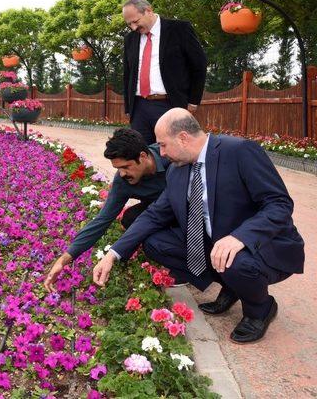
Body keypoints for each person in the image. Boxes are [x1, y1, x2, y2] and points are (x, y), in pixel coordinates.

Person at [93, 108, 305, 343]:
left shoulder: (239, 151)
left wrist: (240, 237)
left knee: (235, 260)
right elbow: (153, 215)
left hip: (262, 245)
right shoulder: (177, 170)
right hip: (216, 243)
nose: (160, 153)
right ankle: (232, 286)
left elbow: (279, 204)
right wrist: (113, 255)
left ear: (183, 137)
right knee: (155, 243)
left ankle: (260, 308)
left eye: (163, 145)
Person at [44, 128, 171, 292]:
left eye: (126, 167)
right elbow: (102, 220)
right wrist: (64, 259)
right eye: (118, 168)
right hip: (157, 212)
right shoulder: (123, 180)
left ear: (143, 156)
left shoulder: (170, 158)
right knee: (130, 218)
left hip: (184, 209)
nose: (122, 174)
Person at [122, 0, 207, 145]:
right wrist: (129, 107)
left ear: (148, 10)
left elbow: (199, 65)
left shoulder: (179, 29)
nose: (133, 28)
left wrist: (193, 101)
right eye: (129, 24)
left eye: (135, 21)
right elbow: (127, 74)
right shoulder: (130, 39)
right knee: (141, 155)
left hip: (169, 104)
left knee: (173, 155)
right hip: (139, 107)